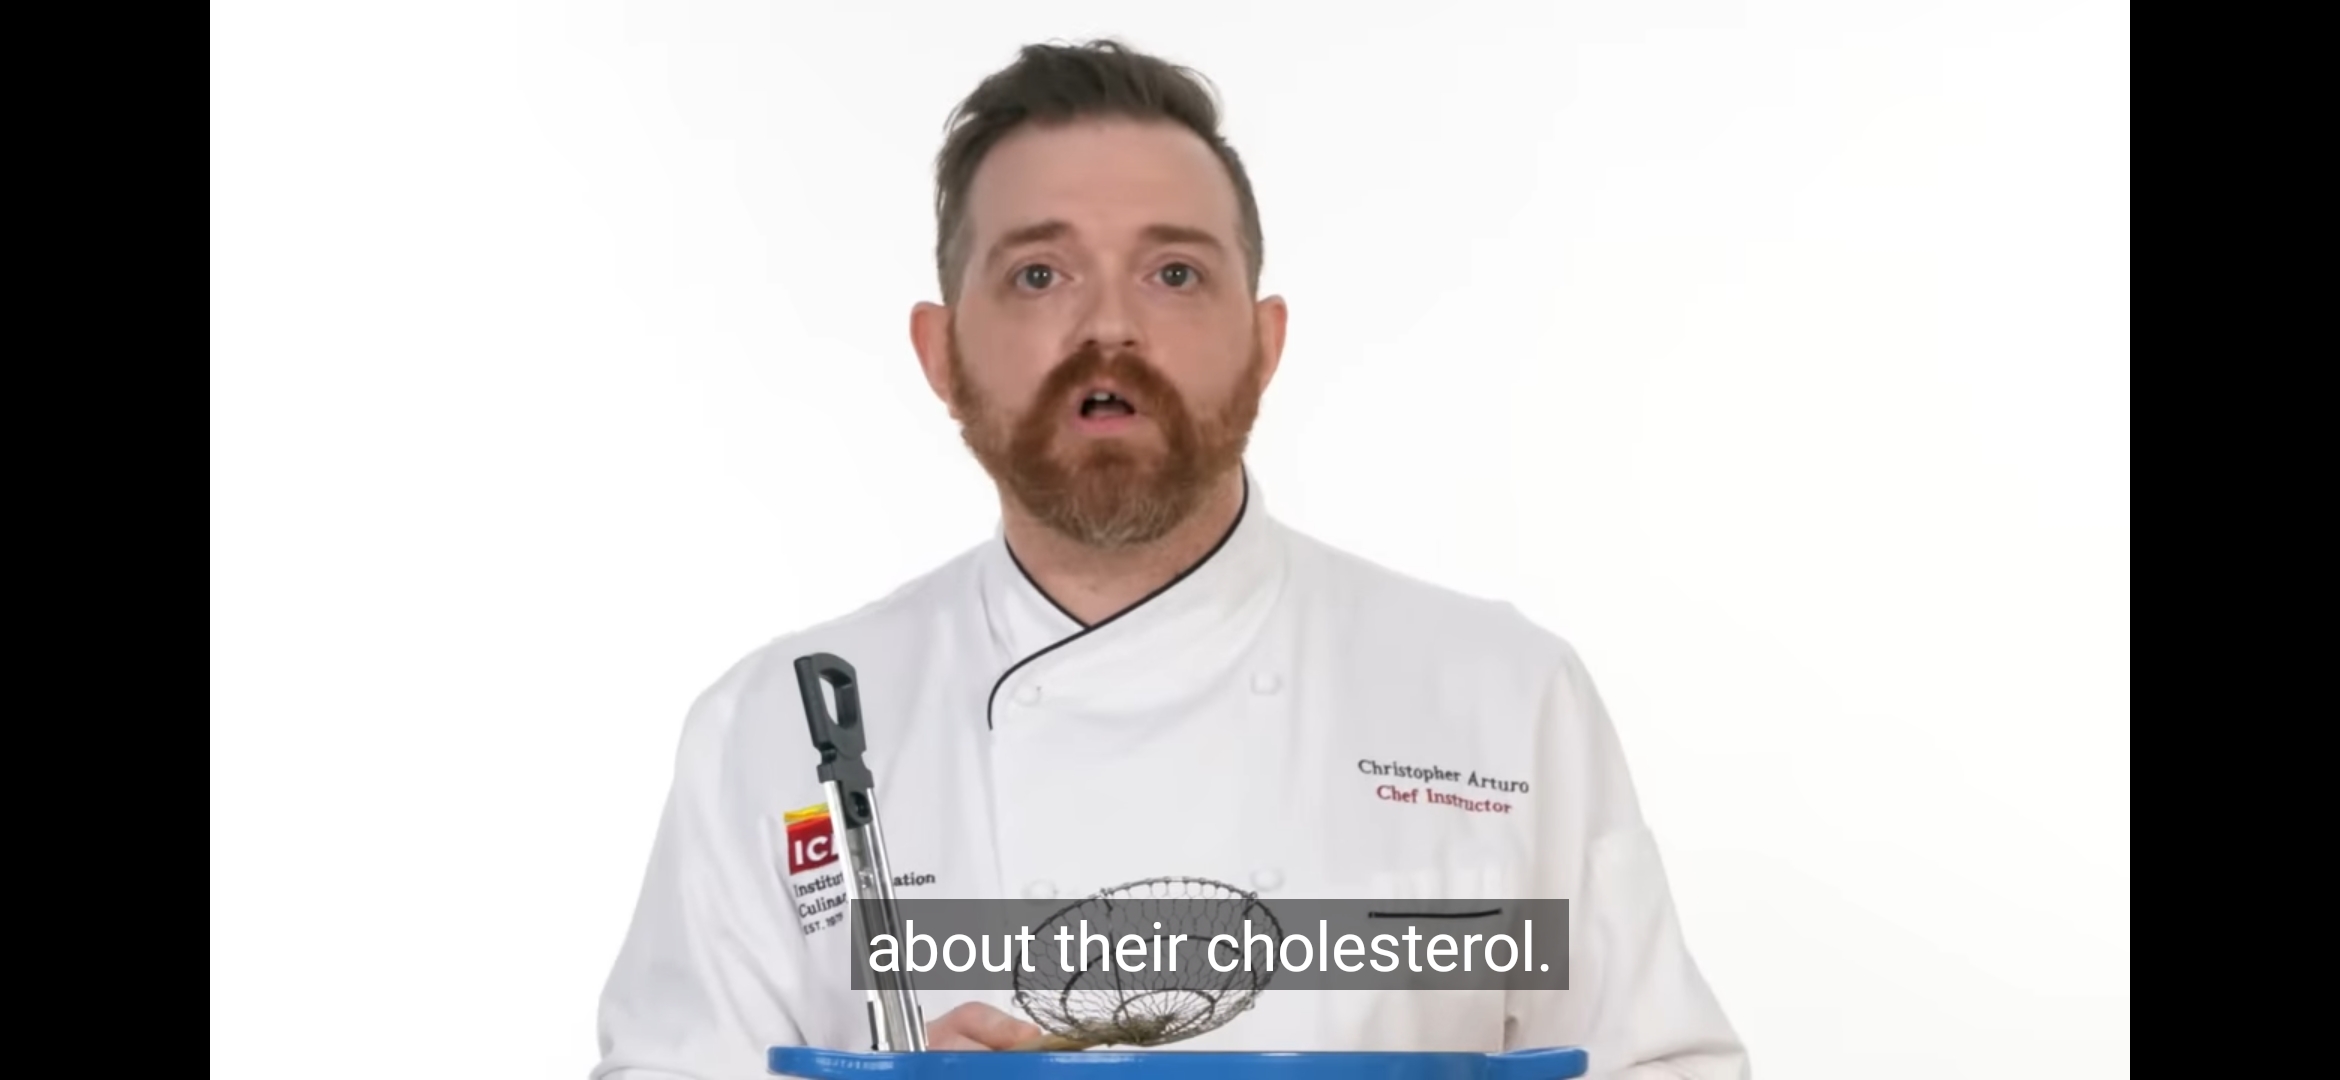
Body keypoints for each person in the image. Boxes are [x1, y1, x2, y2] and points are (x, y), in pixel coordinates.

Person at [591, 39, 1748, 1080]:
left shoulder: (1498, 698)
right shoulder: (768, 734)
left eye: (1175, 273)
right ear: (941, 354)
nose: (1111, 328)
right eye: (1039, 274)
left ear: (1266, 343)